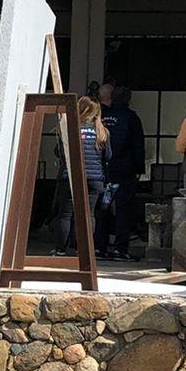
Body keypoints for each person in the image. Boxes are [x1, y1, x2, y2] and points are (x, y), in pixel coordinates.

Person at [95, 81, 147, 260]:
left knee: (103, 207)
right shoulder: (131, 118)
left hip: (105, 170)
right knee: (124, 209)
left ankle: (99, 247)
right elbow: (138, 145)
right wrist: (140, 169)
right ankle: (120, 248)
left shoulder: (102, 116)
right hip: (125, 171)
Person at [50, 95, 108, 253]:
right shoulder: (101, 131)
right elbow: (108, 156)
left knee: (66, 214)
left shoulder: (69, 128)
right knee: (88, 215)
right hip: (95, 178)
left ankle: (60, 249)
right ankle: (83, 250)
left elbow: (60, 152)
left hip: (70, 176)